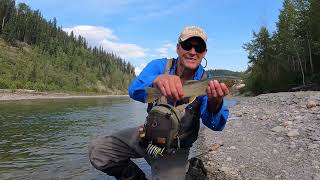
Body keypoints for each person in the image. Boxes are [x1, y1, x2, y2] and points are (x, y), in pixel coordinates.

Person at [89, 26, 230, 180]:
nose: (192, 51)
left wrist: (215, 103)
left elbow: (216, 125)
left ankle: (190, 169)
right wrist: (155, 80)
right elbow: (134, 90)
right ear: (178, 48)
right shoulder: (159, 66)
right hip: (147, 137)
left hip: (175, 150)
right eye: (187, 45)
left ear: (204, 53)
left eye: (199, 48)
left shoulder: (207, 82)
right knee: (99, 152)